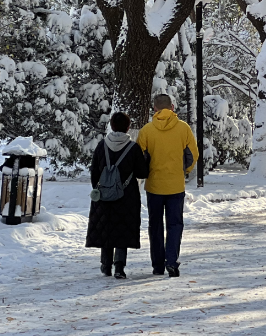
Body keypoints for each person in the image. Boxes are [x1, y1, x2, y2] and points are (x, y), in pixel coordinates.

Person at [138, 93, 198, 277]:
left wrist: (148, 174)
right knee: (175, 224)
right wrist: (184, 172)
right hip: (175, 186)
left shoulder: (146, 131)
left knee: (155, 226)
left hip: (154, 186)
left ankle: (157, 265)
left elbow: (141, 160)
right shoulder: (183, 129)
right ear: (172, 107)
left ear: (154, 109)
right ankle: (172, 261)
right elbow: (193, 155)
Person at [85, 111, 149, 279]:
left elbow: (94, 172)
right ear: (128, 128)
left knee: (106, 228)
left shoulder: (102, 145)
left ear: (111, 126)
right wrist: (146, 159)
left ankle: (105, 265)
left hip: (104, 194)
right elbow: (142, 173)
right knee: (122, 229)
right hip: (126, 195)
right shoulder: (133, 148)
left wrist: (100, 189)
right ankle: (119, 266)